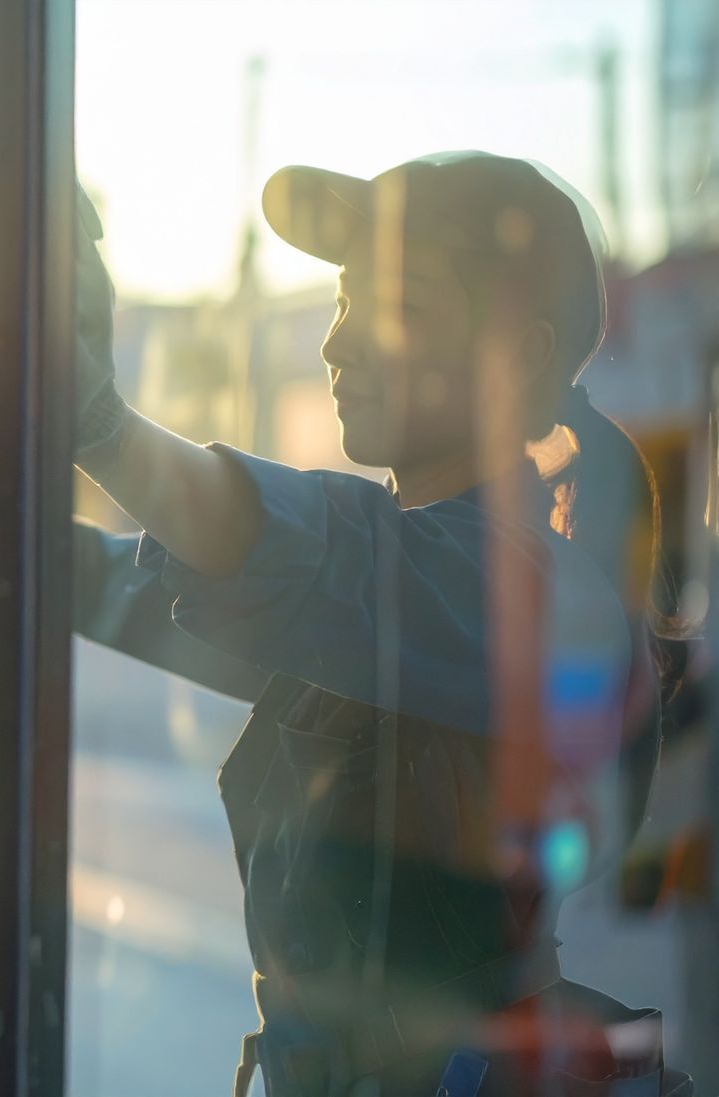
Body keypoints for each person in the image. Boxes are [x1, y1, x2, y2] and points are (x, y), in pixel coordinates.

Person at [64, 152, 696, 1095]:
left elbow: (309, 553)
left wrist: (95, 418)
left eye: (395, 308)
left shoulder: (528, 589)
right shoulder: (375, 604)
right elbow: (123, 579)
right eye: (344, 301)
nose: (337, 344)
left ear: (515, 356)